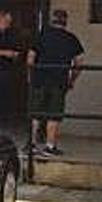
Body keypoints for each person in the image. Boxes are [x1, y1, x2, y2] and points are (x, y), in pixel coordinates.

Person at [27, 9, 84, 157]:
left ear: (52, 21)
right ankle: (50, 146)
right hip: (59, 81)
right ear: (65, 21)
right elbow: (79, 62)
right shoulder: (71, 39)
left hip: (39, 79)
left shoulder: (41, 36)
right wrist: (72, 80)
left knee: (35, 112)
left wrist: (30, 76)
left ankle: (31, 144)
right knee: (54, 114)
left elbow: (30, 57)